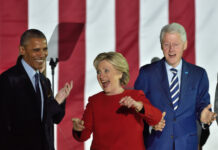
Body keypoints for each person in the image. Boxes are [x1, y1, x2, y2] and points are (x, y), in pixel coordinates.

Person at [134, 23, 217, 150]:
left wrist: (204, 117)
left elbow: (202, 105)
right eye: (167, 44)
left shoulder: (199, 74)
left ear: (185, 45)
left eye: (176, 44)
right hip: (156, 144)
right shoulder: (147, 73)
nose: (171, 49)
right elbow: (137, 109)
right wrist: (151, 124)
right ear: (161, 46)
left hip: (187, 144)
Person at [72, 52, 162, 150]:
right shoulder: (94, 101)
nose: (101, 76)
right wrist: (78, 129)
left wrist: (138, 106)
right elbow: (83, 136)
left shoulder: (135, 96)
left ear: (120, 73)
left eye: (106, 71)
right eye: (98, 72)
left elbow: (156, 118)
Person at [0, 29, 73, 150]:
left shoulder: (44, 81)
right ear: (22, 50)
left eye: (45, 49)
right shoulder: (7, 80)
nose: (42, 54)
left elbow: (54, 118)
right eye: (36, 50)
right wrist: (55, 103)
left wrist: (61, 100)